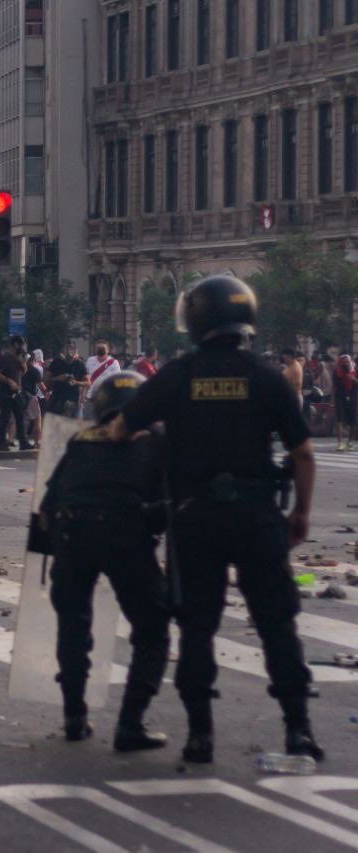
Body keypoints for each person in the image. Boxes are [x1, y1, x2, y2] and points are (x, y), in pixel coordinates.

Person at [110, 275, 323, 765]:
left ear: (196, 321)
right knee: (277, 625)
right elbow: (305, 453)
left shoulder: (179, 376)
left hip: (195, 518)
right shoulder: (267, 377)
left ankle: (200, 736)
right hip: (257, 515)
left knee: (198, 627)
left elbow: (122, 426)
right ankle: (298, 731)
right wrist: (301, 514)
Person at [40, 371, 169, 750]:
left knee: (73, 624)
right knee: (152, 627)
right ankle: (131, 723)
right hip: (128, 535)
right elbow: (168, 507)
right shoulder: (155, 442)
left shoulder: (80, 440)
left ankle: (74, 717)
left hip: (72, 534)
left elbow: (48, 506)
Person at [0, 335, 31, 452]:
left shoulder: (19, 358)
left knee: (20, 417)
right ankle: (2, 442)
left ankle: (23, 442)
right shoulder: (4, 358)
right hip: (6, 391)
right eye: (21, 345)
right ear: (15, 345)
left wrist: (23, 359)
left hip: (18, 390)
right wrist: (8, 381)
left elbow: (23, 371)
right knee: (5, 417)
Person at [47, 340, 89, 418]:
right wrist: (58, 378)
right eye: (67, 347)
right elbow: (47, 381)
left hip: (74, 401)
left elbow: (88, 382)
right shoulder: (56, 362)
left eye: (72, 348)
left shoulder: (79, 364)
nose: (69, 350)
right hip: (57, 402)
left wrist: (76, 382)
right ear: (64, 349)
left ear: (76, 350)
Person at [334, 354, 357, 451]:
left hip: (353, 397)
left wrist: (354, 379)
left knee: (353, 421)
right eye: (343, 362)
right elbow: (334, 386)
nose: (345, 364)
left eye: (347, 361)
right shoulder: (336, 371)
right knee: (340, 420)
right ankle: (339, 443)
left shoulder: (355, 370)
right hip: (340, 397)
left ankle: (350, 442)